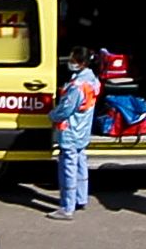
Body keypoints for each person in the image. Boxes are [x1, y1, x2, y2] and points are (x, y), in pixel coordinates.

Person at [46, 46, 100, 220]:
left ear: (81, 63)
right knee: (81, 162)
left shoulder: (77, 86)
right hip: (82, 129)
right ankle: (80, 198)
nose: (70, 63)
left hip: (70, 130)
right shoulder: (92, 80)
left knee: (68, 168)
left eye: (72, 60)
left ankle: (66, 207)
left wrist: (51, 115)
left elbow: (66, 109)